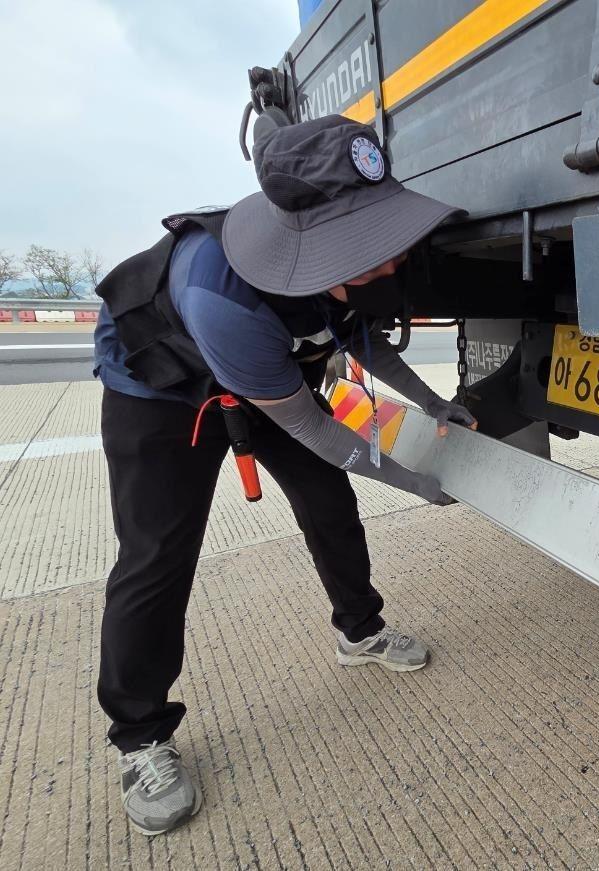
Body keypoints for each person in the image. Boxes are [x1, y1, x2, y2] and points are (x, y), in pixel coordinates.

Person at [92, 115, 475, 836]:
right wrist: (416, 480)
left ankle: (359, 630)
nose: (388, 264)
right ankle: (141, 735)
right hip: (162, 387)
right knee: (158, 554)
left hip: (265, 376)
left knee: (328, 498)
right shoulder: (225, 299)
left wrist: (433, 403)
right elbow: (314, 427)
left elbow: (357, 339)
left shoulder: (337, 273)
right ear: (312, 247)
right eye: (368, 253)